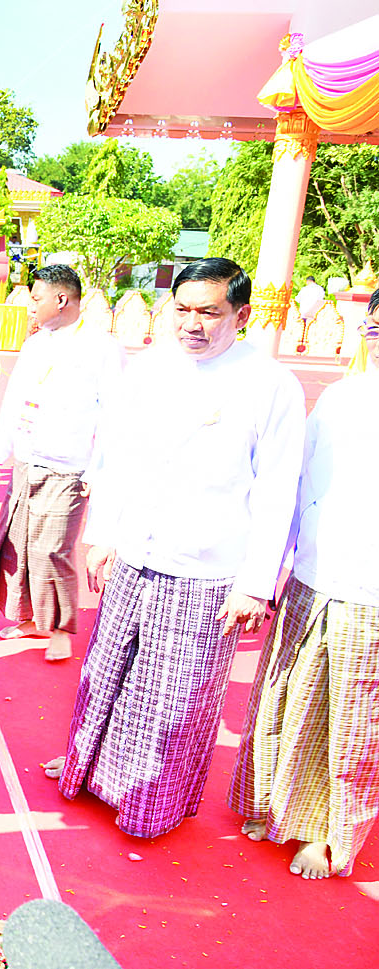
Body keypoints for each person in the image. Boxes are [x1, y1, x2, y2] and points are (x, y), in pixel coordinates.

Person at [47, 258, 305, 838]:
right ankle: (90, 772)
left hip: (208, 570)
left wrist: (254, 584)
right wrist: (103, 534)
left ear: (241, 315)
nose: (192, 324)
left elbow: (278, 490)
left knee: (176, 699)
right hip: (135, 551)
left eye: (208, 312)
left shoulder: (270, 385)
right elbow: (116, 457)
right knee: (108, 672)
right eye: (182, 309)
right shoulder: (151, 368)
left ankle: (151, 806)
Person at [229, 296, 379, 879]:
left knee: (354, 718)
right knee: (288, 697)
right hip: (313, 573)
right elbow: (293, 486)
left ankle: (329, 833)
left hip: (370, 592)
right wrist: (268, 572)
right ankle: (278, 807)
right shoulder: (341, 398)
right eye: (374, 327)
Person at [0, 264, 124, 661]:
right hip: (28, 459)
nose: (30, 306)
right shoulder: (35, 344)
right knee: (21, 544)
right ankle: (30, 618)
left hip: (68, 467)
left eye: (36, 298)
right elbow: (14, 399)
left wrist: (98, 469)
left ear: (61, 299)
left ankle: (60, 629)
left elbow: (114, 415)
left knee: (53, 550)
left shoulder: (102, 347)